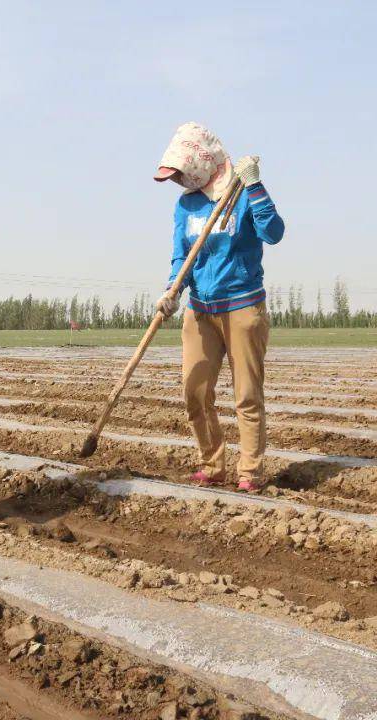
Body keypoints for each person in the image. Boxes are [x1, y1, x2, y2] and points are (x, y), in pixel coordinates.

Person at [153, 122, 285, 492]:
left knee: (246, 395)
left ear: (200, 161)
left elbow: (273, 233)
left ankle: (250, 473)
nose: (179, 181)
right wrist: (172, 289)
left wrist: (256, 186)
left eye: (180, 173)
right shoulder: (187, 205)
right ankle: (212, 465)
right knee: (194, 390)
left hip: (242, 307)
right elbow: (182, 255)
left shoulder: (242, 192)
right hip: (200, 309)